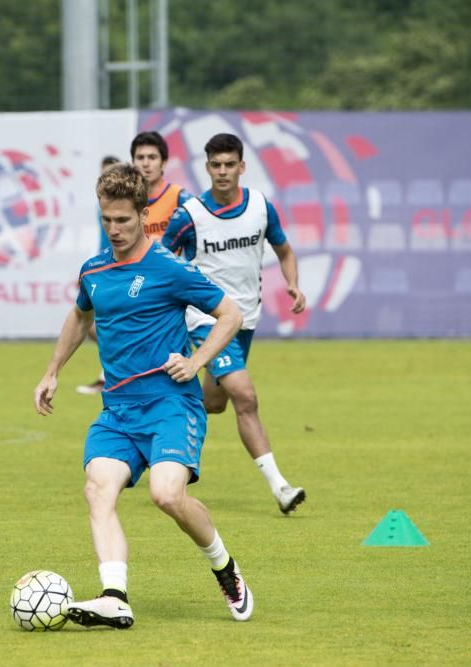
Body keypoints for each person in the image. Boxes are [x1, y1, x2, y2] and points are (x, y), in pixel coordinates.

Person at [34, 163, 253, 627]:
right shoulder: (94, 270)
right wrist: (53, 370)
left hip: (171, 405)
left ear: (144, 214)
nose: (114, 230)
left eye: (124, 221)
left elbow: (230, 314)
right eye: (106, 220)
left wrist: (196, 362)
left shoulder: (169, 269)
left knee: (166, 495)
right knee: (98, 490)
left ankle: (224, 566)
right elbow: (80, 317)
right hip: (117, 412)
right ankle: (114, 595)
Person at [164, 132, 307, 514]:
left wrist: (292, 283)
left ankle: (164, 418)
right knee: (246, 397)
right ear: (206, 168)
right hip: (206, 320)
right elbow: (161, 262)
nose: (223, 172)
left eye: (230, 165)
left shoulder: (262, 207)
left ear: (242, 167)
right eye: (216, 165)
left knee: (213, 402)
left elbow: (285, 250)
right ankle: (281, 488)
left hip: (245, 319)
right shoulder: (189, 217)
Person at [76, 132, 192, 394]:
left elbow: (200, 238)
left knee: (229, 393)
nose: (146, 163)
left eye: (152, 157)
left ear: (164, 162)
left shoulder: (180, 199)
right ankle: (112, 377)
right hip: (138, 287)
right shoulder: (119, 205)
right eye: (140, 157)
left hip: (180, 292)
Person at [75, 155, 118, 396]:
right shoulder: (101, 205)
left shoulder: (129, 205)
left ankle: (110, 375)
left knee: (101, 324)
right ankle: (110, 372)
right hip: (104, 268)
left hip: (119, 270)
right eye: (104, 175)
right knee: (92, 324)